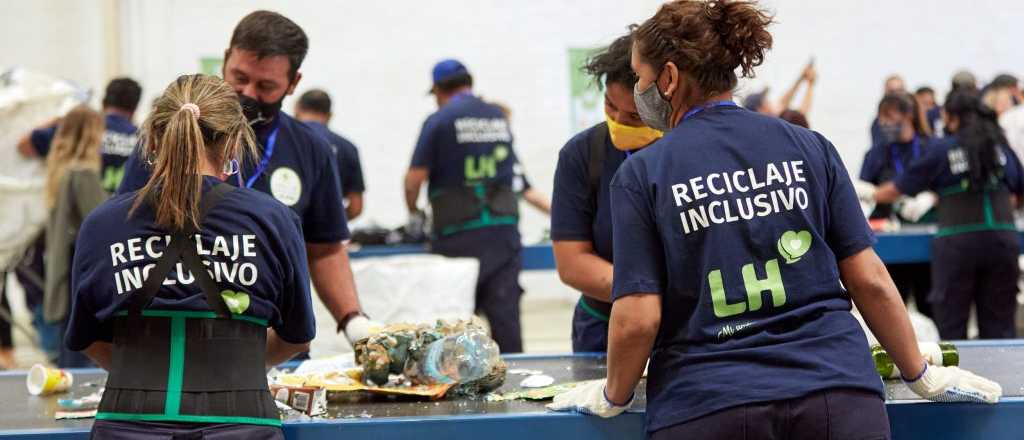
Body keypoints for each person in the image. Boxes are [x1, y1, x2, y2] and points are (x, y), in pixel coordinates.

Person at [548, 2, 1001, 439]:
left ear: (667, 78)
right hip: (838, 397)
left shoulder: (643, 173)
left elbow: (638, 318)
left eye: (641, 77)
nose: (640, 92)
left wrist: (614, 394)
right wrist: (919, 374)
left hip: (709, 402)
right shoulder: (810, 146)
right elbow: (870, 280)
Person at [66, 74, 312, 439]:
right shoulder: (273, 220)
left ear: (151, 140)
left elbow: (85, 336)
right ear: (232, 144)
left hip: (129, 427)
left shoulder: (103, 224)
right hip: (241, 427)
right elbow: (297, 336)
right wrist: (230, 367)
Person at [118, 11, 374, 346]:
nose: (248, 94)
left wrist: (353, 321)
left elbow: (324, 248)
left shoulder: (312, 149)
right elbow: (126, 235)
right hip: (180, 342)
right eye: (239, 77)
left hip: (278, 345)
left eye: (266, 86)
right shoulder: (171, 136)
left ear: (293, 83)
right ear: (225, 60)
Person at [875, 90, 1023, 339]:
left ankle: (958, 379)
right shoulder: (1000, 148)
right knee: (1000, 329)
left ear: (952, 118)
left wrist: (869, 193)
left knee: (952, 326)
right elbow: (1020, 188)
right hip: (1002, 241)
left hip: (958, 245)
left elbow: (898, 188)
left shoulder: (942, 149)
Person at [404, 59, 526, 353]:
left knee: (456, 325)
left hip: (458, 235)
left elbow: (413, 179)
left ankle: (460, 386)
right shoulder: (497, 117)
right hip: (502, 232)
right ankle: (519, 383)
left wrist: (414, 213)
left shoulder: (439, 121)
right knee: (506, 320)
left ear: (437, 89)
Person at [551, 33, 662, 353]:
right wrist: (647, 297)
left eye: (634, 117)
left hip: (683, 329)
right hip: (604, 327)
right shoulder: (582, 154)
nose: (617, 121)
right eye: (610, 106)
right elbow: (573, 263)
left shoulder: (688, 152)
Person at [41, 105, 109, 368]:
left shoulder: (60, 171)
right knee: (83, 356)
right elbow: (102, 223)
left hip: (63, 268)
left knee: (68, 351)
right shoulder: (84, 175)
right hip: (82, 269)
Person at [860, 92, 935, 318]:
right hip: (891, 241)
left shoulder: (929, 147)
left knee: (929, 304)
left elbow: (942, 183)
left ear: (908, 115)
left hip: (927, 239)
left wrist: (929, 197)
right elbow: (866, 189)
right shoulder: (877, 153)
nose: (885, 124)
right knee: (893, 306)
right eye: (881, 119)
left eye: (890, 117)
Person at [18, 78, 142, 192]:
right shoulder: (143, 139)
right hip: (124, 211)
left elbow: (24, 145)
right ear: (134, 109)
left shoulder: (82, 129)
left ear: (103, 103)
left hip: (80, 210)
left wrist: (61, 118)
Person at [294, 89, 367, 220]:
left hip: (285, 232)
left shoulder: (279, 141)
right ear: (329, 115)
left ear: (296, 108)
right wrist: (332, 224)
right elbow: (356, 207)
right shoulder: (348, 148)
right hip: (326, 235)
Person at [743, 59, 816, 122]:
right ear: (760, 110)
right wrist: (810, 84)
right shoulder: (774, 124)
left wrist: (800, 78)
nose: (769, 101)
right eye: (765, 101)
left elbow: (783, 103)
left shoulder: (766, 124)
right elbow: (801, 115)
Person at [870, 74, 908, 145]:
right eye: (892, 91)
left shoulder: (917, 117)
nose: (896, 94)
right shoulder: (878, 123)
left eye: (900, 90)